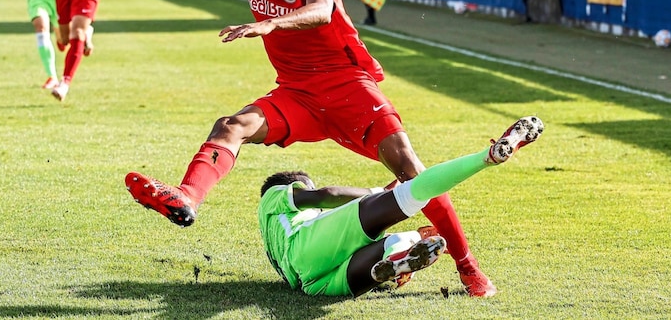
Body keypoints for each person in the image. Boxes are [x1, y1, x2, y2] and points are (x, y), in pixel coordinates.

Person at [124, 0, 497, 297]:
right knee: (231, 126)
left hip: (348, 86)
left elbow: (321, 10)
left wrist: (269, 24)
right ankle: (186, 197)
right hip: (297, 93)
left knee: (413, 172)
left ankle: (468, 267)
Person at [129, 116, 545, 297]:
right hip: (310, 245)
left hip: (308, 282)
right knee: (413, 192)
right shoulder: (276, 196)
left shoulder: (273, 233)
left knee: (373, 256)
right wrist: (371, 194)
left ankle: (394, 257)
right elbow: (326, 192)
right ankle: (487, 156)